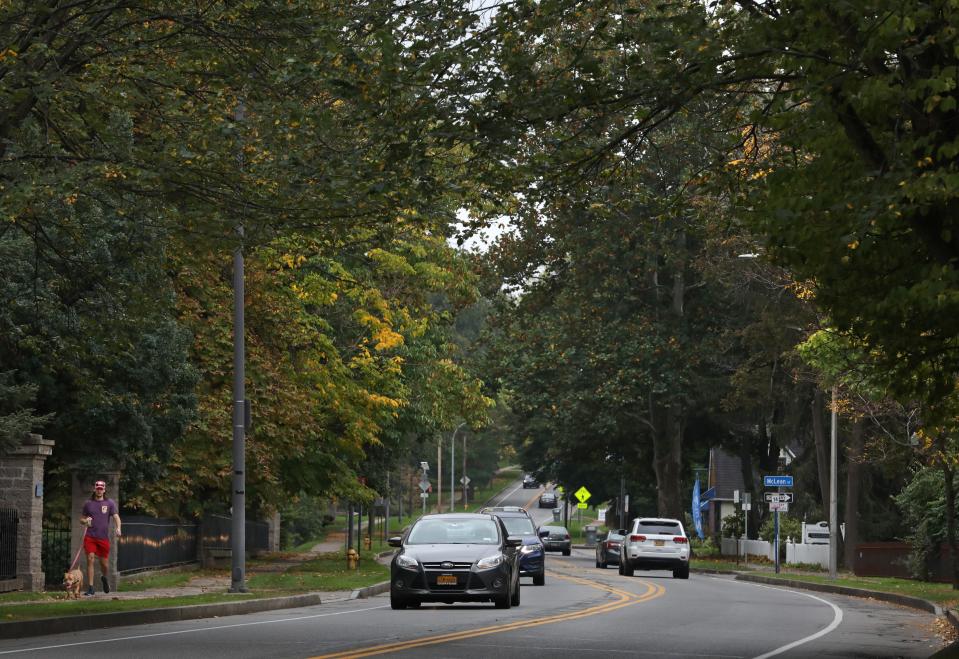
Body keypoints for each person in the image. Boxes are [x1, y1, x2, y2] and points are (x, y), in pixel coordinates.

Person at [80, 479, 121, 596]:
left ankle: (104, 577)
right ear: (94, 489)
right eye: (97, 488)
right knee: (90, 559)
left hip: (103, 538)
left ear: (104, 490)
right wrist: (85, 521)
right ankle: (91, 588)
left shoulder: (109, 503)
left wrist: (118, 528)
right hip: (90, 537)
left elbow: (116, 517)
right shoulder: (88, 503)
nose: (99, 490)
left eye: (101, 489)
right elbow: (81, 519)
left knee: (104, 564)